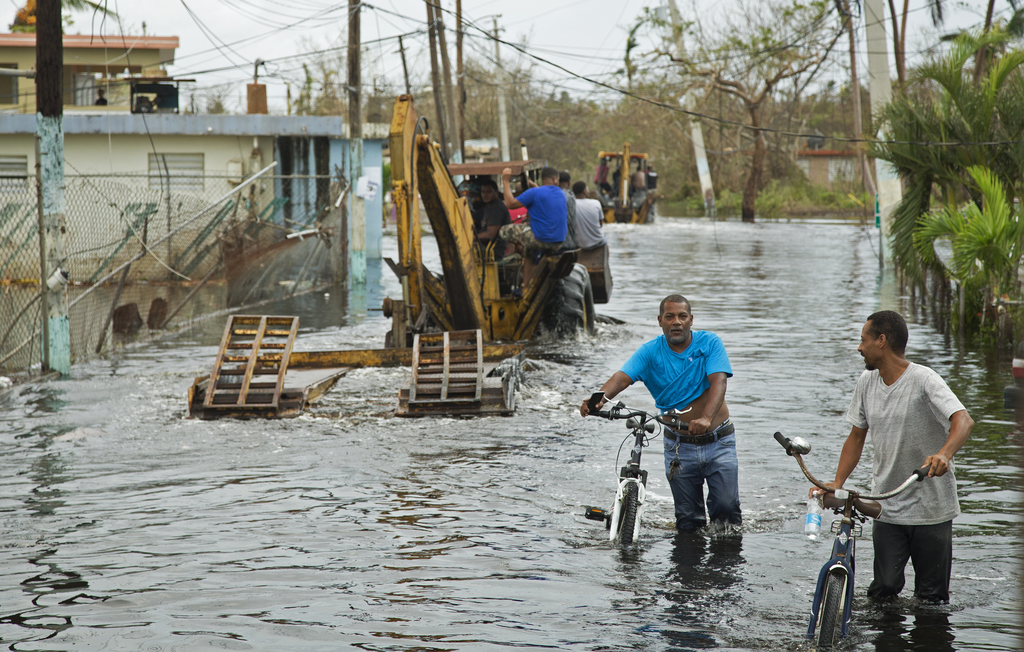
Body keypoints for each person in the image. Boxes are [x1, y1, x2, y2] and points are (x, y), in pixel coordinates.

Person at [816, 310, 973, 603]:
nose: (859, 347)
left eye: (863, 340)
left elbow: (963, 421)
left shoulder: (924, 379)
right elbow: (856, 436)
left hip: (932, 508)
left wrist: (943, 454)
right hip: (886, 505)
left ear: (881, 341)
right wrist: (836, 482)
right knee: (884, 589)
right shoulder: (866, 382)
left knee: (932, 598)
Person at [580, 295, 740, 532]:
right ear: (660, 321)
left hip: (719, 441)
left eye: (682, 316)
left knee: (727, 514)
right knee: (688, 522)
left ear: (691, 320)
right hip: (678, 447)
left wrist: (705, 418)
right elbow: (623, 377)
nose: (677, 322)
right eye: (670, 316)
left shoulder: (709, 343)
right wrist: (600, 399)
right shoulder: (650, 352)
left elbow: (718, 382)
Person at [500, 166, 567, 286]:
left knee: (504, 230)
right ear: (555, 179)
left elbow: (510, 203)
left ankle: (511, 262)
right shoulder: (560, 193)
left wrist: (505, 180)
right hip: (559, 241)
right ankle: (527, 284)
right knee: (529, 248)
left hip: (541, 239)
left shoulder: (534, 193)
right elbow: (543, 195)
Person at [472, 179, 511, 260]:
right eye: (483, 192)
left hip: (494, 250)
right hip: (485, 248)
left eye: (489, 192)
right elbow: (472, 219)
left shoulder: (497, 208)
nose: (485, 195)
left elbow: (490, 234)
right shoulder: (486, 207)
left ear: (496, 192)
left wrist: (473, 237)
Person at [571, 181, 606, 250]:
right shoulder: (596, 203)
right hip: (597, 243)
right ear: (584, 192)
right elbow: (601, 224)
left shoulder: (572, 204)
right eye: (587, 189)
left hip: (579, 244)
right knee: (605, 237)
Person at [558, 170, 579, 249]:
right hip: (568, 242)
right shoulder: (570, 196)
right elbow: (572, 221)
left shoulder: (554, 195)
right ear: (569, 182)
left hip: (555, 242)